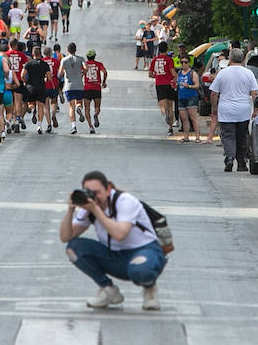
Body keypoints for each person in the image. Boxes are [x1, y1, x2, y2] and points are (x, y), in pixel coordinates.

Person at [60, 171, 167, 311]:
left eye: (97, 192)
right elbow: (65, 237)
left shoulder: (125, 201)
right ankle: (108, 290)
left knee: (141, 270)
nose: (93, 197)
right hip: (116, 257)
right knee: (73, 248)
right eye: (89, 192)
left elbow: (120, 234)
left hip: (144, 253)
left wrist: (95, 209)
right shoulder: (89, 208)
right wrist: (70, 211)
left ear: (108, 188)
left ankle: (150, 288)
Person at [210, 49, 255, 172]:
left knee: (228, 135)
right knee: (242, 136)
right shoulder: (248, 73)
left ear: (230, 59)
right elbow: (254, 92)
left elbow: (214, 93)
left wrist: (214, 108)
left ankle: (229, 157)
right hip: (243, 110)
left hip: (226, 109)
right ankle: (241, 162)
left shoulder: (222, 73)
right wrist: (254, 107)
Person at [148, 42, 177, 135]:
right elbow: (173, 73)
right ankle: (170, 128)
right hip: (169, 84)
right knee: (170, 106)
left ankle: (164, 111)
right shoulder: (169, 60)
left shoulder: (154, 60)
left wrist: (158, 76)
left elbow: (150, 74)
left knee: (161, 104)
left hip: (159, 84)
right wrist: (176, 78)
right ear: (167, 49)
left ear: (159, 50)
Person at [60, 44, 86, 134]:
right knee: (79, 102)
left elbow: (60, 73)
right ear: (76, 50)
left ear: (67, 50)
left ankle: (73, 126)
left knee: (71, 107)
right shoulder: (81, 59)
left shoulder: (64, 60)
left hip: (69, 86)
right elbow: (86, 68)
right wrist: (82, 73)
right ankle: (79, 108)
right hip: (79, 85)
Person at [80, 48, 107, 133]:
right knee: (97, 106)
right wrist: (104, 82)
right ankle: (96, 114)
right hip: (96, 87)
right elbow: (105, 72)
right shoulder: (99, 64)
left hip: (87, 88)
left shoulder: (85, 64)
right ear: (94, 56)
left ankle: (90, 127)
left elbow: (81, 74)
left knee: (87, 109)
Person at [176, 59, 201, 143]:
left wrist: (189, 86)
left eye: (185, 62)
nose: (183, 64)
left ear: (189, 63)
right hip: (181, 97)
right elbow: (177, 83)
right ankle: (186, 136)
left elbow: (197, 85)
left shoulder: (192, 73)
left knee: (193, 117)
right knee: (184, 118)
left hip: (191, 97)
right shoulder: (179, 73)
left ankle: (197, 137)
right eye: (182, 62)